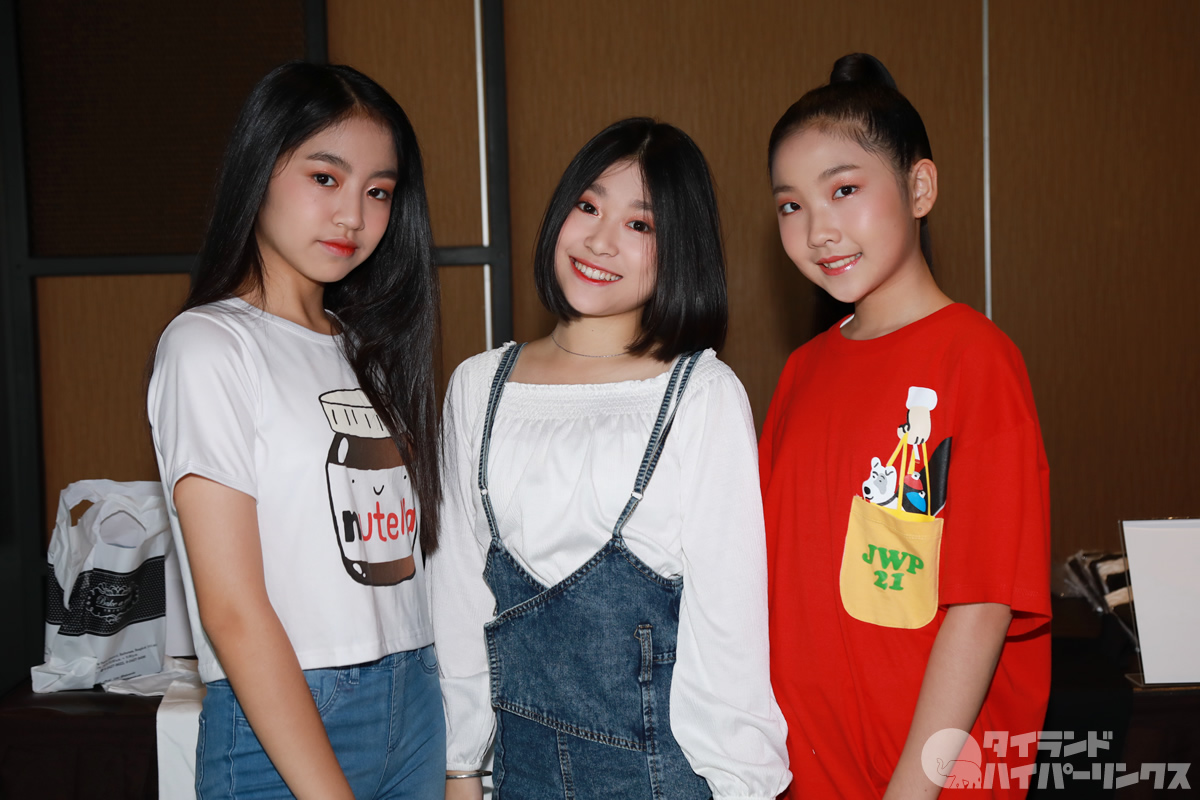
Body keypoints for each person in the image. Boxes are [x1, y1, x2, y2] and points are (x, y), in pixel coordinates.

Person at [434, 118, 790, 799]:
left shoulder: (702, 394)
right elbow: (457, 597)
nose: (600, 241)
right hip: (516, 779)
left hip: (662, 782)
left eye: (639, 224)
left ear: (678, 248)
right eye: (588, 206)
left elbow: (730, 630)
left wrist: (745, 786)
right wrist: (461, 768)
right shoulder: (477, 386)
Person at [147, 62, 444, 799]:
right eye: (325, 178)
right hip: (292, 708)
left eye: (378, 191)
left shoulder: (367, 349)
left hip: (414, 693)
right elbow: (232, 610)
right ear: (259, 169)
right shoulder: (210, 344)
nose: (353, 217)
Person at [760, 53, 1051, 798]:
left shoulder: (975, 360)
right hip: (801, 775)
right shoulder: (801, 372)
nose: (818, 230)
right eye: (791, 206)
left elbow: (982, 607)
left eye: (844, 190)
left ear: (919, 188)